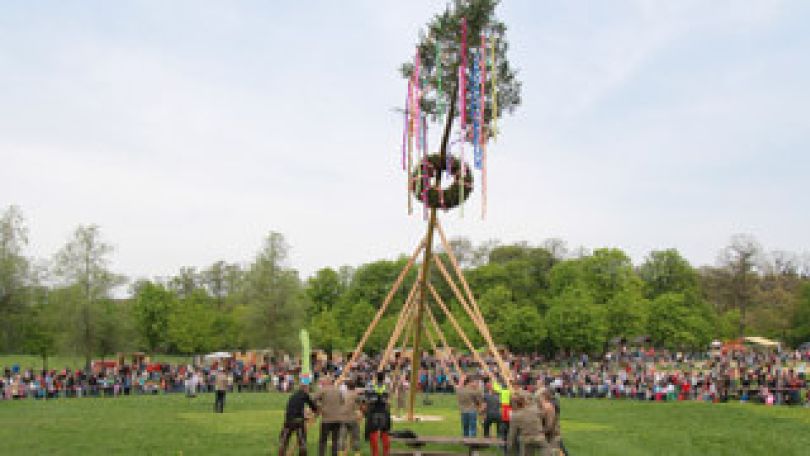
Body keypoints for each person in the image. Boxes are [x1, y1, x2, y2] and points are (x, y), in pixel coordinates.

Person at [279, 380, 319, 456]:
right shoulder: (305, 395)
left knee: (283, 441)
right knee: (302, 442)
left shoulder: (293, 395)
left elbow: (293, 408)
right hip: (298, 421)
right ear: (305, 388)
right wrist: (317, 409)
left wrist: (305, 416)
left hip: (288, 420)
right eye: (308, 387)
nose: (309, 389)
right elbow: (313, 407)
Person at [507, 392, 546, 456]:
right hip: (539, 436)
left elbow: (512, 434)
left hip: (525, 439)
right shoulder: (535, 409)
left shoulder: (515, 416)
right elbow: (543, 417)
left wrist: (509, 447)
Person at [313, 376, 343, 456]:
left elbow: (313, 399)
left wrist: (318, 407)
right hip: (338, 419)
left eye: (323, 381)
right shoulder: (338, 390)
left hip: (327, 419)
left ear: (328, 382)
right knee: (335, 440)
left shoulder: (323, 390)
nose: (322, 383)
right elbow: (342, 402)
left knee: (323, 440)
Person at [365, 372, 392, 456]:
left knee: (373, 434)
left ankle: (375, 454)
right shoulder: (386, 387)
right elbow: (388, 400)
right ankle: (385, 453)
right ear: (383, 378)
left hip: (374, 412)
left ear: (376, 378)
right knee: (385, 433)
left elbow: (368, 399)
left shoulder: (372, 387)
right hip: (384, 412)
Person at [338, 379, 362, 456]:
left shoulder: (343, 395)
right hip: (353, 418)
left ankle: (341, 453)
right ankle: (357, 453)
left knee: (342, 437)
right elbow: (360, 405)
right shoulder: (356, 395)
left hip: (343, 418)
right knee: (356, 437)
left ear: (347, 386)